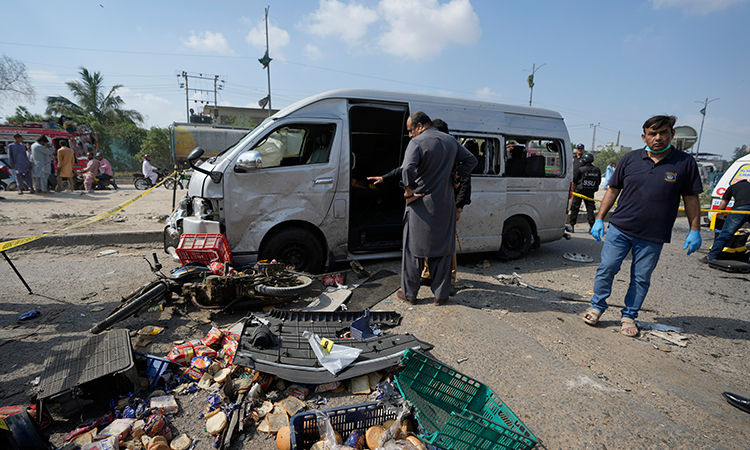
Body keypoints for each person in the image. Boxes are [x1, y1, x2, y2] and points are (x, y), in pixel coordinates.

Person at [583, 115, 703, 337]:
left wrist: (694, 229)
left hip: (653, 235)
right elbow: (612, 190)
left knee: (640, 277)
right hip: (620, 228)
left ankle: (629, 315)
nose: (658, 138)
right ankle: (597, 306)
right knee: (607, 267)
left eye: (663, 132)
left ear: (672, 134)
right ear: (644, 136)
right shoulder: (630, 159)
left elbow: (691, 199)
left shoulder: (685, 163)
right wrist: (600, 218)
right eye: (652, 133)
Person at [396, 111, 477, 305]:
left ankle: (410, 294)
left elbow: (407, 169)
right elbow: (472, 160)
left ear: (420, 126)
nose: (410, 134)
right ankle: (441, 295)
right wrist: (456, 176)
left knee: (413, 249)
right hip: (445, 204)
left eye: (410, 130)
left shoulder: (416, 143)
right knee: (442, 249)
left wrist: (408, 193)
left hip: (420, 205)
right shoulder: (450, 141)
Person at [701, 178, 750, 263]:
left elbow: (722, 206)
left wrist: (723, 213)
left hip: (740, 209)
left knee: (726, 234)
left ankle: (712, 256)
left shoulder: (733, 187)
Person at [568, 153, 601, 232]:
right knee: (590, 210)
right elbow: (598, 181)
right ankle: (591, 226)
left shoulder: (581, 169)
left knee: (575, 208)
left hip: (579, 191)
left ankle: (572, 226)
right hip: (590, 192)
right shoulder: (597, 170)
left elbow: (575, 180)